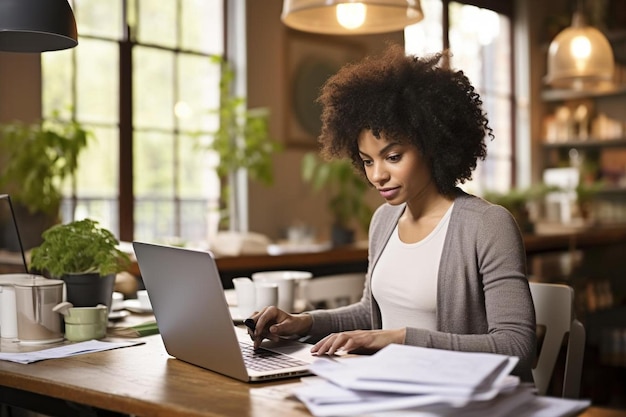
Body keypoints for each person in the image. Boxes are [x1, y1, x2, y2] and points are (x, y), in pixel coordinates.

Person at [248, 44, 536, 382]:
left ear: (432, 144)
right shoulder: (384, 221)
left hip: (462, 398)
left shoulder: (487, 225)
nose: (377, 175)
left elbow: (517, 347)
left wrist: (400, 339)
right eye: (368, 161)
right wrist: (304, 322)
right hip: (393, 389)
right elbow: (370, 315)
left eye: (393, 157)